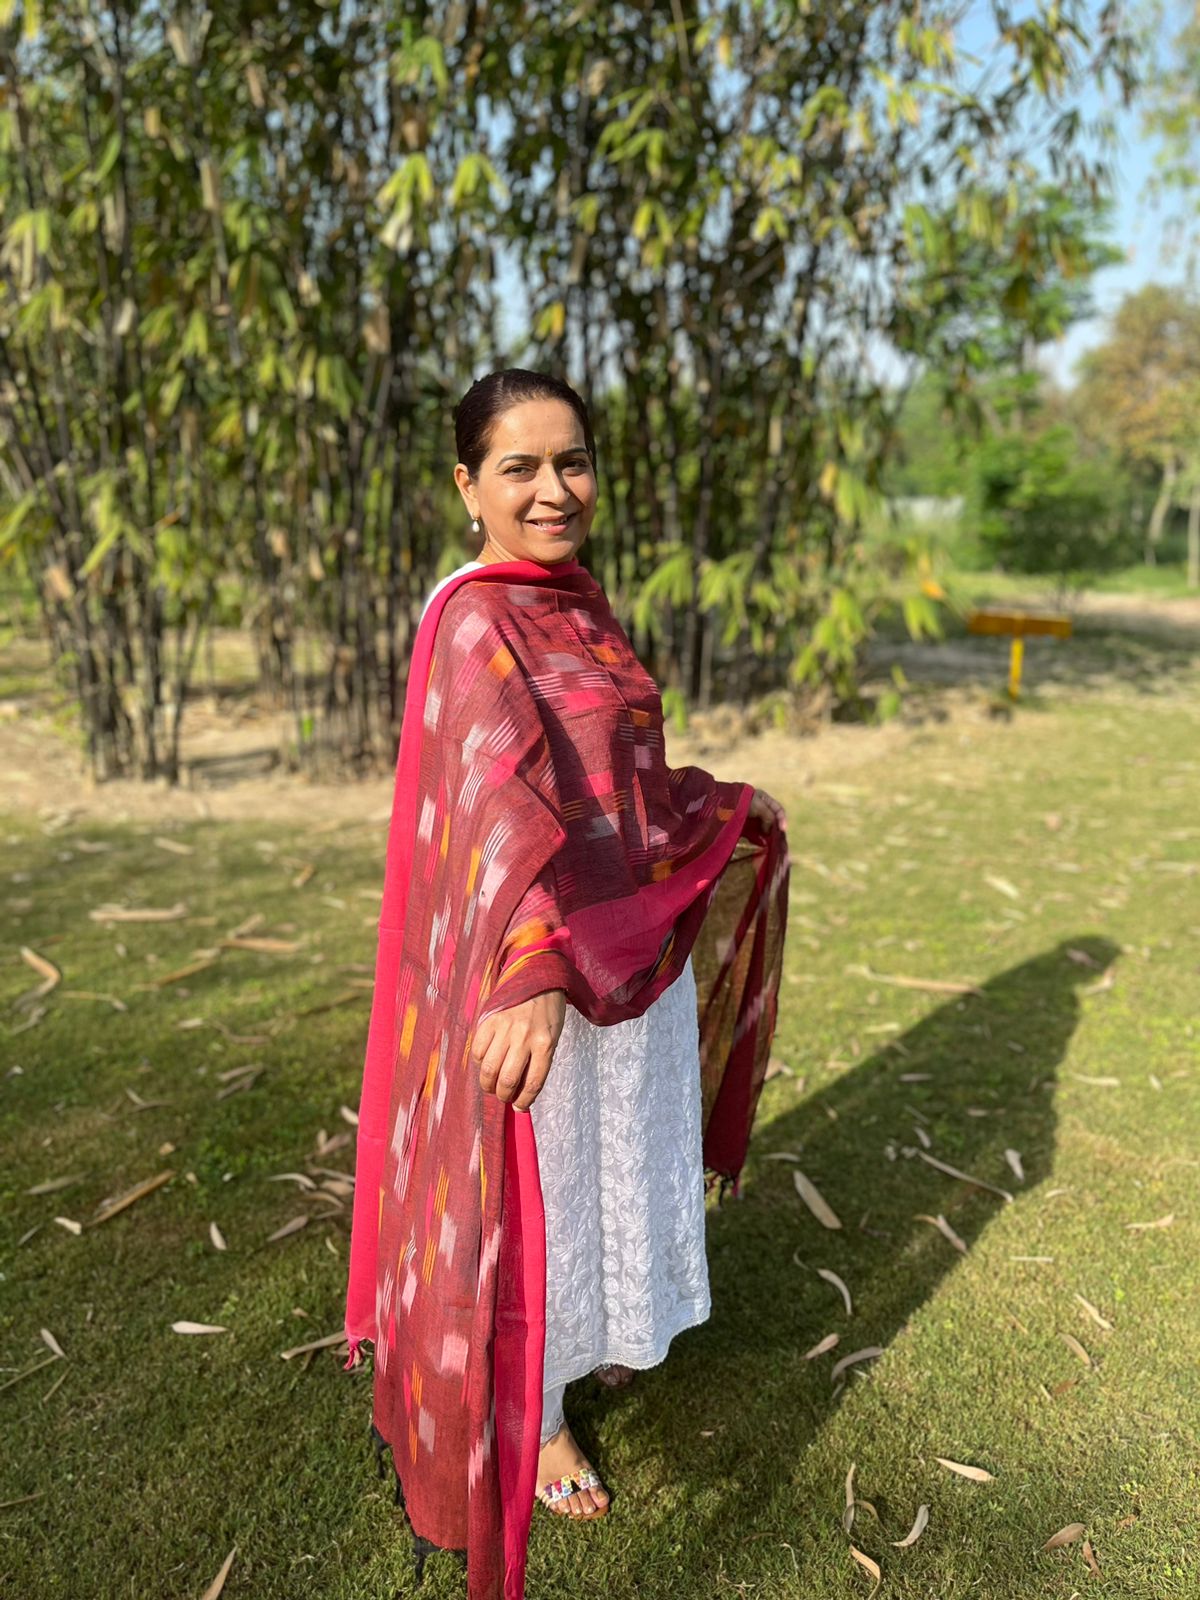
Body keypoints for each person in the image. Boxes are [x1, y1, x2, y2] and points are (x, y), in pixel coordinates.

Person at [344, 368, 789, 1599]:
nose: (554, 489)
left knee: (595, 1176)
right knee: (528, 1198)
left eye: (573, 461)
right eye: (521, 468)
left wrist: (720, 807)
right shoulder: (478, 619)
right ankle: (530, 1420)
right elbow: (499, 809)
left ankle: (582, 1347)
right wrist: (528, 974)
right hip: (539, 973)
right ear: (467, 486)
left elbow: (615, 784)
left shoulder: (579, 606)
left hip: (621, 956)